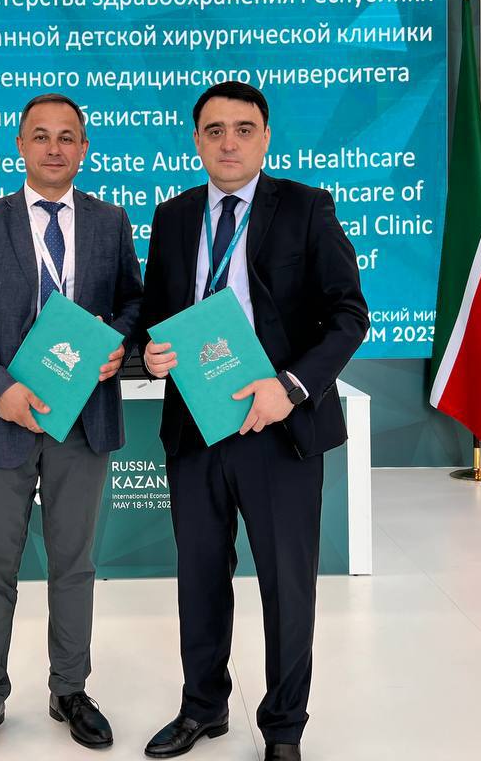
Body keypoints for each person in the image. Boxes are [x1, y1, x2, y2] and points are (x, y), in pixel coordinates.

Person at [138, 81, 369, 761]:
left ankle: (284, 728)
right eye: (214, 130)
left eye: (244, 129)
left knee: (286, 585)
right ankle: (203, 707)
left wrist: (289, 387)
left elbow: (349, 315)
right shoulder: (173, 216)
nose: (229, 142)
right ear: (196, 141)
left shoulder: (305, 207)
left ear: (266, 137)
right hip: (195, 426)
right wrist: (150, 352)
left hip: (280, 428)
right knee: (200, 577)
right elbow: (157, 314)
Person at [0, 92, 144, 760]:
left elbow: (133, 301)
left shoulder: (110, 222)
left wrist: (116, 341)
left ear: (84, 149)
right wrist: (0, 390)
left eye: (67, 137)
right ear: (20, 145)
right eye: (41, 136)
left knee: (74, 563)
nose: (54, 148)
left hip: (83, 419)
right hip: (4, 420)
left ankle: (70, 689)